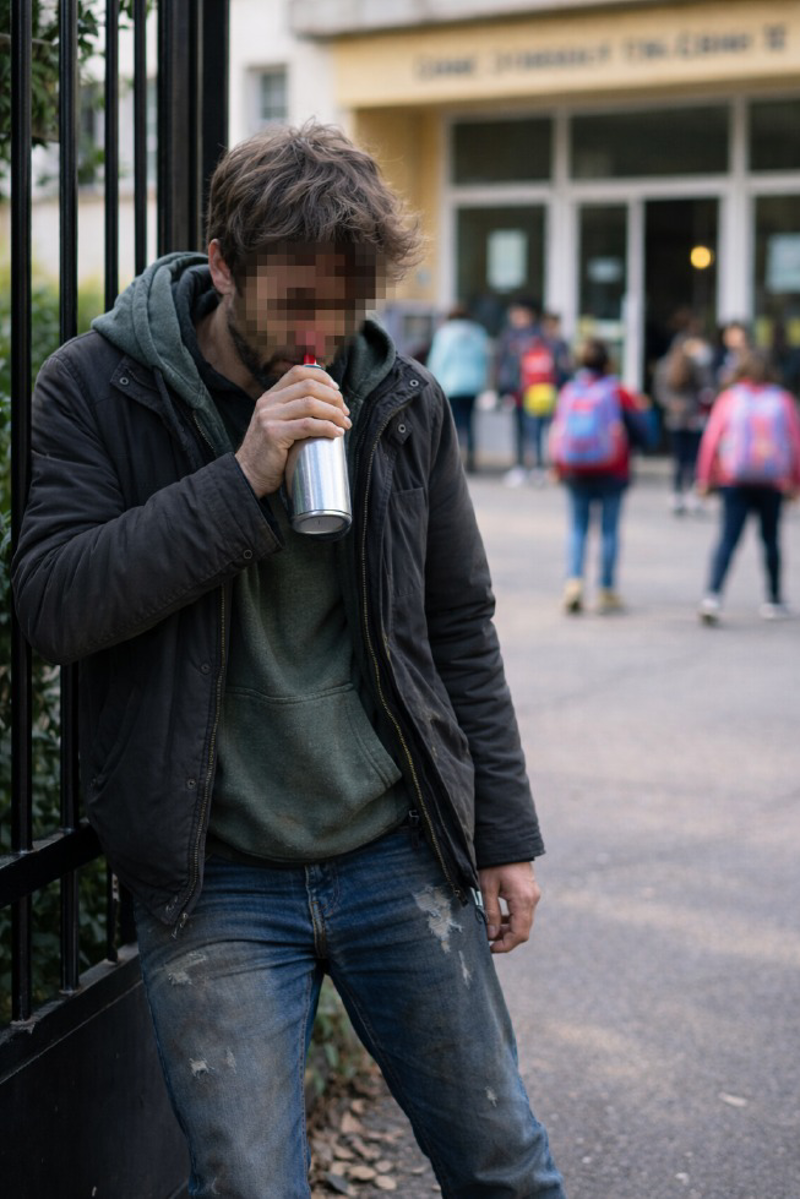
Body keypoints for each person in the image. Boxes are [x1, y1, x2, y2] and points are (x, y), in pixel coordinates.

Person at [12, 123, 566, 1198]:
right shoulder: (97, 385)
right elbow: (54, 605)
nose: (323, 329)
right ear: (222, 267)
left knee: (504, 1164)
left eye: (346, 302)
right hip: (213, 872)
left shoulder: (400, 398)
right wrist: (243, 474)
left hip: (393, 846)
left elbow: (458, 623)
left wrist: (503, 834)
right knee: (248, 1187)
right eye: (297, 300)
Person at [696, 349, 800, 624]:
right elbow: (795, 442)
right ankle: (774, 599)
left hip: (734, 479)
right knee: (771, 541)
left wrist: (705, 477)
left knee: (728, 539)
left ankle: (713, 596)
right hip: (771, 480)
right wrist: (795, 481)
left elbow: (711, 440)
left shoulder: (730, 398)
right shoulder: (782, 399)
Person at [550, 338, 650, 615]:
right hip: (612, 469)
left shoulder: (570, 390)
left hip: (575, 469)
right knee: (609, 530)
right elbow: (642, 432)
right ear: (608, 362)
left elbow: (558, 429)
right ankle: (606, 589)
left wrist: (557, 465)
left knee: (577, 528)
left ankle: (574, 584)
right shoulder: (617, 392)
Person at [653, 334, 715, 514]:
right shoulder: (677, 365)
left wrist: (671, 404)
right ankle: (689, 494)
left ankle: (678, 493)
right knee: (691, 458)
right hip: (690, 417)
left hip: (678, 418)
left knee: (680, 459)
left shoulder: (666, 364)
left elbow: (659, 391)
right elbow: (707, 387)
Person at [426, 303, 490, 473]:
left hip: (450, 385)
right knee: (469, 424)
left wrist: (432, 382)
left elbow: (438, 360)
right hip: (472, 385)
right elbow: (484, 360)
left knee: (449, 425)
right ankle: (471, 460)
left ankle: (451, 462)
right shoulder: (478, 332)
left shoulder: (445, 333)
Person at [495, 299, 540, 486]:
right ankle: (521, 467)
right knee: (520, 430)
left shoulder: (536, 336)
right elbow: (502, 364)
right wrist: (502, 389)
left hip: (536, 390)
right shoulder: (509, 336)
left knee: (534, 430)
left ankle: (536, 468)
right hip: (518, 390)